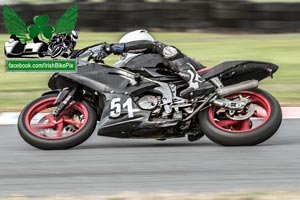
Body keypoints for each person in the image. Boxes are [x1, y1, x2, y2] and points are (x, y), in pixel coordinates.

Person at [97, 29, 214, 98]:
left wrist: (115, 48)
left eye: (125, 50)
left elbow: (149, 45)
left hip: (205, 75)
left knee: (168, 51)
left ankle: (197, 82)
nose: (123, 54)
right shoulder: (151, 62)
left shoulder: (156, 48)